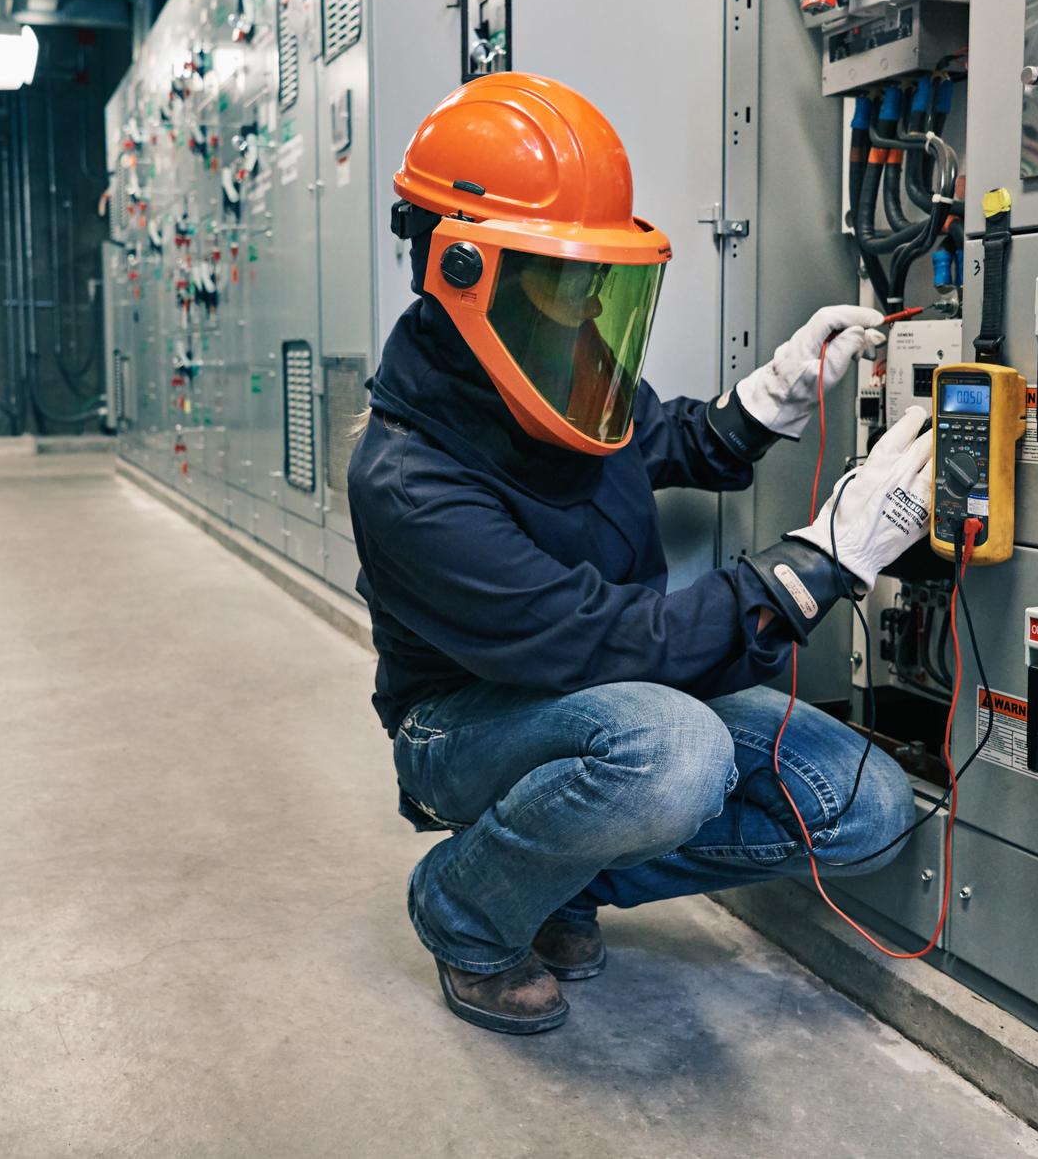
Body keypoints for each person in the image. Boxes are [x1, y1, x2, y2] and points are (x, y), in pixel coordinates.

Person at [347, 73, 931, 1035]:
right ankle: (467, 904)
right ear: (463, 268)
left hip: (606, 695)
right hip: (463, 721)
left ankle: (551, 878)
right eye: (561, 278)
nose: (582, 309)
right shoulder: (410, 478)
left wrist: (774, 396)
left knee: (865, 804)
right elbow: (595, 637)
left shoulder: (547, 358)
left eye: (593, 281)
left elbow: (662, 439)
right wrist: (818, 560)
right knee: (676, 752)